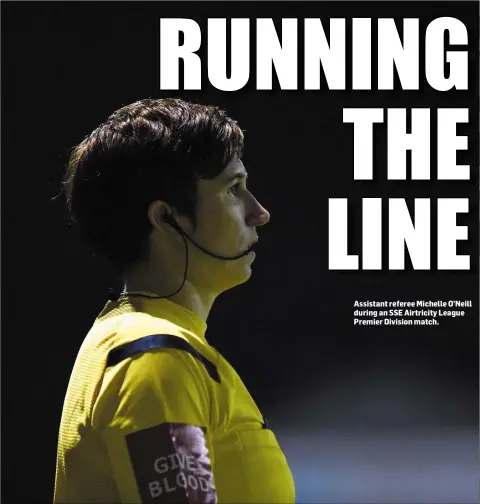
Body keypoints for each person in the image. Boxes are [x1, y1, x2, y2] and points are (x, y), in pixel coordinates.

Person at [54, 98, 295, 503]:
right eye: (233, 189)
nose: (259, 212)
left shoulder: (140, 340)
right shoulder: (155, 357)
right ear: (165, 218)